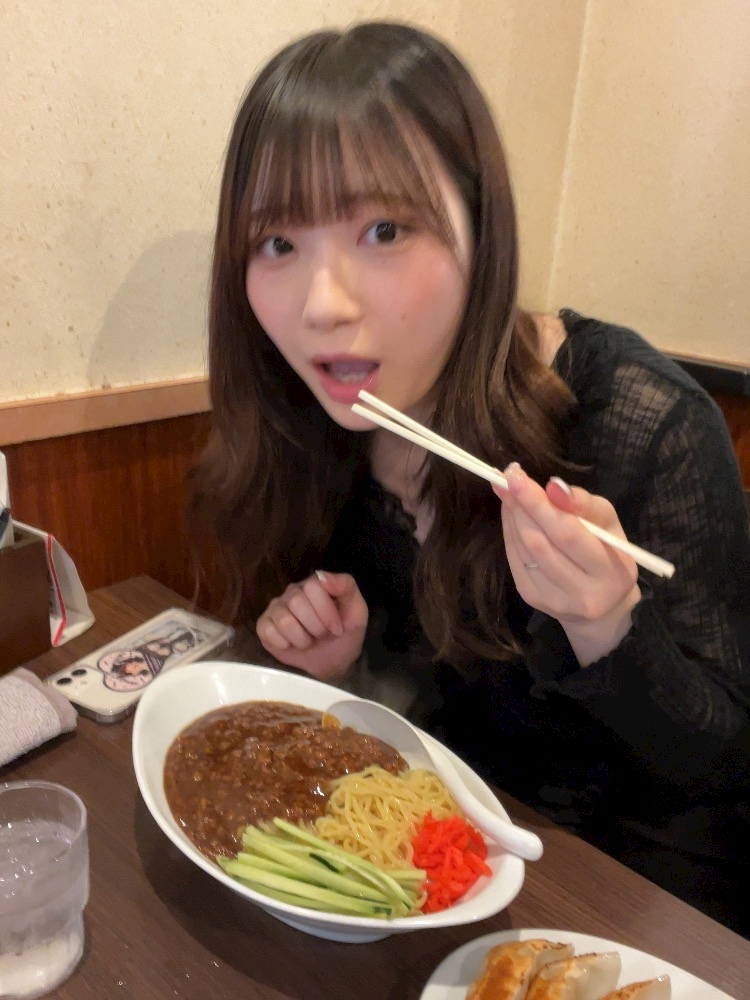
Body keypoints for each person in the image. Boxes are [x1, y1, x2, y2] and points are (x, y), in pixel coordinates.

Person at [190, 22, 750, 933]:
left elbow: (721, 768)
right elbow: (420, 724)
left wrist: (609, 629)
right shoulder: (313, 423)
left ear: (481, 230)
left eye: (384, 229)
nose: (322, 305)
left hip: (627, 904)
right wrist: (340, 668)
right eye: (277, 243)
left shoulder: (644, 420)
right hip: (422, 882)